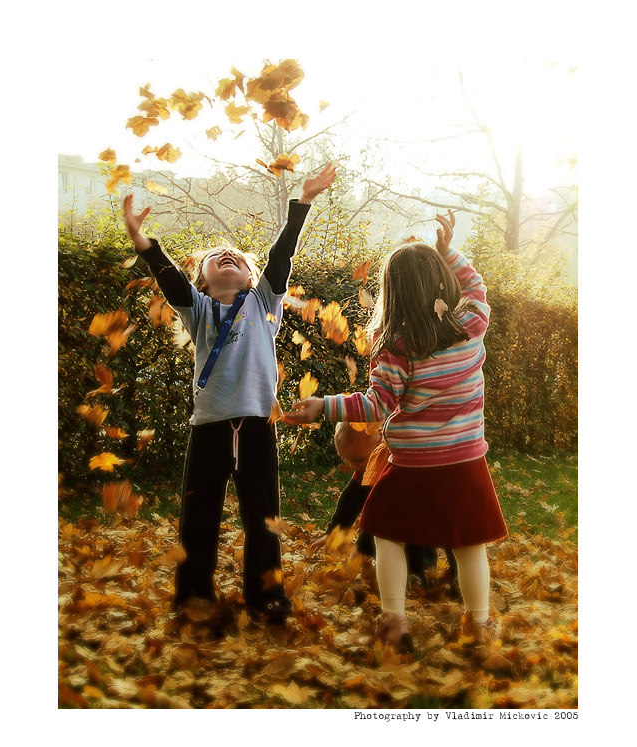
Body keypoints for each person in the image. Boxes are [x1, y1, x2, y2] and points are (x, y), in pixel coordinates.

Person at [122, 163, 336, 625]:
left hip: (258, 427)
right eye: (215, 258)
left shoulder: (262, 304)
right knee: (197, 517)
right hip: (210, 431)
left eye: (236, 258)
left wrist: (303, 201)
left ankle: (266, 596)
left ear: (249, 277)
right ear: (202, 281)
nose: (227, 257)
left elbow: (280, 259)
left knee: (263, 518)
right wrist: (144, 243)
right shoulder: (198, 310)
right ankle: (193, 594)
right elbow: (170, 281)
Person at [286, 210, 507, 649]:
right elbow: (478, 288)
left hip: (412, 464)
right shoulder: (471, 327)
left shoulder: (396, 350)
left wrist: (323, 407)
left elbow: (375, 405)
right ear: (446, 284)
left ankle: (394, 619)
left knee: (386, 532)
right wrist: (450, 252)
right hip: (465, 460)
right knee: (468, 545)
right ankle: (479, 623)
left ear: (393, 295)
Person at [312, 423, 446, 586]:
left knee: (412, 529)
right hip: (391, 524)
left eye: (359, 460)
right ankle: (399, 570)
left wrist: (361, 548)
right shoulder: (366, 466)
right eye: (347, 460)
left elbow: (381, 515)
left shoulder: (397, 463)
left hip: (418, 515)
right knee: (381, 530)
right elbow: (351, 499)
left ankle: (418, 571)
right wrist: (333, 531)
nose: (354, 466)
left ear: (381, 443)